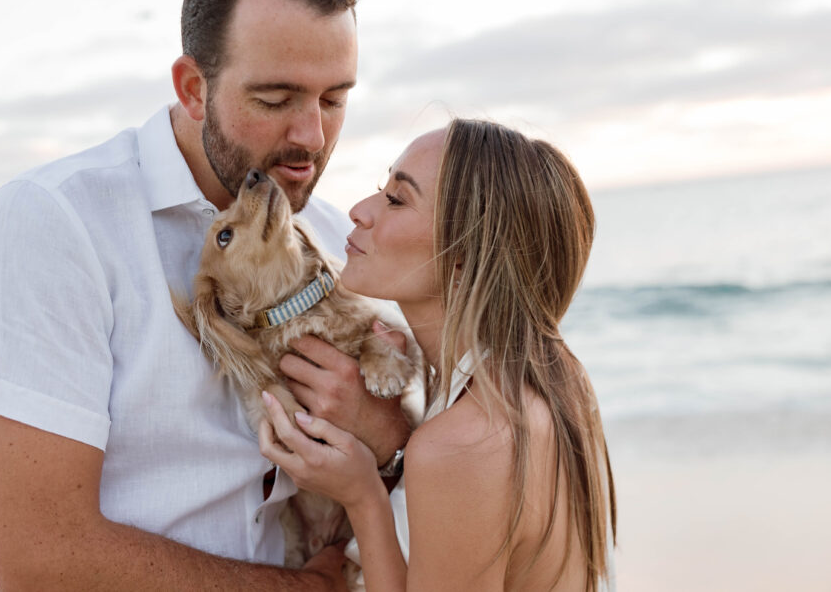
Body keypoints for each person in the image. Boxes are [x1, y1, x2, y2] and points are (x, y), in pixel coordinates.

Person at [0, 0, 409, 590]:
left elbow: (420, 476)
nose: (312, 135)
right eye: (276, 99)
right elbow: (41, 554)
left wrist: (383, 431)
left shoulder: (333, 238)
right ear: (192, 88)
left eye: (334, 99)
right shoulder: (52, 223)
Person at [260, 119, 617, 591]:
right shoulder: (554, 381)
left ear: (464, 253)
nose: (358, 211)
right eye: (381, 189)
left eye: (396, 199)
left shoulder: (466, 442)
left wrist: (362, 494)